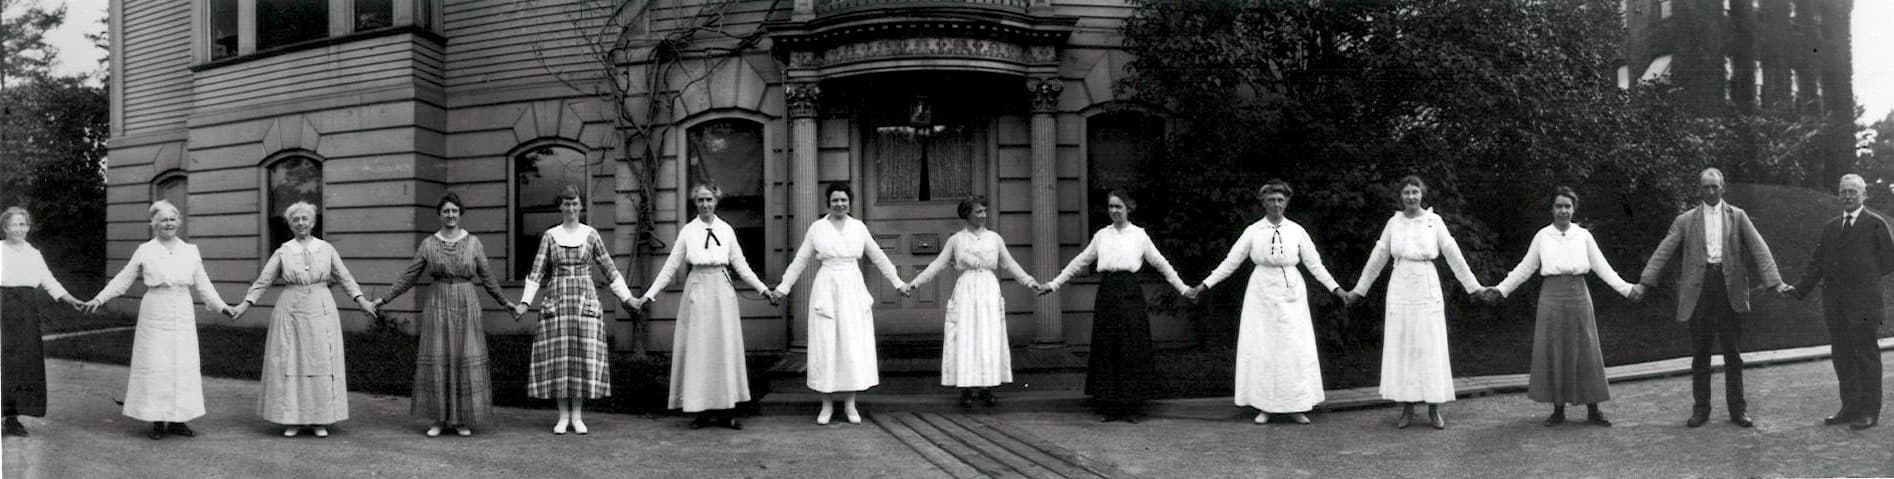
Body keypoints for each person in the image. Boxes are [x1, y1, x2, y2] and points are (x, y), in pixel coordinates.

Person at [1630, 167, 1783, 428]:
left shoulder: (1738, 216)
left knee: (1732, 353)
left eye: (1715, 187)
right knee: (1700, 353)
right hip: (1698, 291)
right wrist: (1645, 282)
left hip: (1729, 288)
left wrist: (1774, 282)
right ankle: (1701, 409)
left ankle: (1738, 410)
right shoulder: (1686, 220)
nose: (1711, 191)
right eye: (1706, 187)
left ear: (1723, 188)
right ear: (1699, 190)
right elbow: (1663, 251)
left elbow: (1759, 248)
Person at [1186, 180, 1344, 425]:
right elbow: (1231, 262)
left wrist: (1336, 289)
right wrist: (1205, 285)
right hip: (1261, 292)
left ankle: (1295, 405)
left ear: (1287, 202)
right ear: (1263, 202)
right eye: (1271, 200)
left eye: (1281, 200)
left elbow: (1315, 264)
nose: (1276, 204)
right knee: (1264, 348)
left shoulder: (1297, 231)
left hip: (1292, 291)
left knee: (1292, 348)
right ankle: (1265, 407)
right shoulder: (1253, 231)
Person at [82, 200, 236, 440]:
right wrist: (99, 300)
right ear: (154, 224)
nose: (168, 223)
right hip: (155, 309)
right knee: (156, 365)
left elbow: (204, 285)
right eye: (163, 219)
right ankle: (157, 419)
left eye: (173, 219)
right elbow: (123, 279)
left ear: (179, 223)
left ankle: (178, 420)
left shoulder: (190, 251)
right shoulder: (146, 250)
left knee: (182, 365)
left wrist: (223, 307)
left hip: (182, 309)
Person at [1343, 176, 1488, 430]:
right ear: (1401, 196)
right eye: (1407, 193)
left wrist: (1473, 287)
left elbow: (1453, 253)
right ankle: (1407, 408)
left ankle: (1434, 409)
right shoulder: (1394, 223)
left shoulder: (1435, 222)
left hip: (1426, 286)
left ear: (1423, 195)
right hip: (1400, 287)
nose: (1411, 197)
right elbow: (1378, 256)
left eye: (1415, 192)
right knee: (1404, 345)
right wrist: (1358, 291)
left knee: (1428, 344)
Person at [1485, 187, 1633, 427]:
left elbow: (1602, 267)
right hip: (1551, 297)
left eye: (1567, 206)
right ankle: (1558, 410)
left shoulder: (1584, 235)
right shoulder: (1543, 236)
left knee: (1586, 349)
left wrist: (1627, 289)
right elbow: (1525, 267)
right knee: (1555, 349)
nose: (1563, 210)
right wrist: (1501, 289)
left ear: (1574, 209)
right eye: (1558, 206)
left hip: (1578, 295)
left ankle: (1593, 409)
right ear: (1552, 210)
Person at [1040, 190, 1192, 423]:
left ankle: (1131, 407)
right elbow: (1080, 260)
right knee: (1108, 345)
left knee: (1131, 345)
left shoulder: (1139, 236)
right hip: (1108, 292)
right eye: (1110, 207)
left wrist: (1183, 289)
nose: (1113, 211)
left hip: (1130, 291)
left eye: (1118, 207)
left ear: (1128, 208)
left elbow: (1161, 264)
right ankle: (1110, 406)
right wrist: (1054, 284)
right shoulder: (1102, 235)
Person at [632, 184, 771, 430]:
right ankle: (701, 412)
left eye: (709, 200)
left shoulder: (726, 229)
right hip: (697, 288)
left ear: (716, 201)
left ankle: (727, 412)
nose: (705, 204)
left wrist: (763, 289)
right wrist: (649, 295)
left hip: (721, 289)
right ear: (695, 203)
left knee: (723, 349)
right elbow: (671, 266)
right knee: (699, 351)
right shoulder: (688, 231)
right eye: (700, 200)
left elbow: (741, 265)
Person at [372, 193, 512, 437]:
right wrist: (384, 299)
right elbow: (409, 276)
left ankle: (461, 420)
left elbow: (487, 276)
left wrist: (505, 302)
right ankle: (438, 418)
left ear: (460, 213)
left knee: (463, 356)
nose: (450, 215)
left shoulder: (473, 243)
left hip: (466, 301)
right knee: (438, 357)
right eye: (446, 211)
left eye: (454, 211)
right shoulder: (428, 244)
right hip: (438, 302)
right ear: (439, 214)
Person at [229, 201, 373, 438]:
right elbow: (263, 281)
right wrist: (244, 305)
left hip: (321, 309)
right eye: (295, 219)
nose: (300, 223)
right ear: (290, 224)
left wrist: (362, 301)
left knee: (320, 363)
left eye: (305, 218)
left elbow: (345, 278)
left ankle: (320, 419)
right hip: (291, 310)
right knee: (291, 362)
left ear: (313, 222)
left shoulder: (326, 249)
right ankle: (292, 419)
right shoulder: (283, 251)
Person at [770, 182, 906, 425]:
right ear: (828, 203)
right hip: (827, 288)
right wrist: (783, 288)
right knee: (826, 345)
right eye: (835, 200)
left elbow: (878, 257)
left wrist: (898, 282)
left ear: (850, 202)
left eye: (844, 200)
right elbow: (800, 260)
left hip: (852, 288)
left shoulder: (858, 228)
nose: (840, 204)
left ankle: (850, 403)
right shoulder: (817, 229)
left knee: (851, 345)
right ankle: (826, 404)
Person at [512, 185, 638, 435]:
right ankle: (562, 416)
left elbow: (609, 269)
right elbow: (536, 272)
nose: (570, 208)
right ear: (560, 206)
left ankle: (578, 416)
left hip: (584, 300)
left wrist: (627, 298)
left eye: (575, 204)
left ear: (581, 207)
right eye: (566, 204)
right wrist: (525, 303)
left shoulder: (591, 235)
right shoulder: (550, 236)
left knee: (582, 355)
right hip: (557, 300)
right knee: (559, 356)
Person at [900, 196, 1039, 409]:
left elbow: (1010, 264)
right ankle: (966, 389)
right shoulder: (956, 240)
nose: (983, 215)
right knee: (966, 336)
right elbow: (937, 264)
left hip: (988, 290)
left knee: (988, 336)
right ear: (967, 214)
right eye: (978, 211)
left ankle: (988, 387)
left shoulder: (995, 239)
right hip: (966, 289)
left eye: (984, 211)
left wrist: (1030, 282)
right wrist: (914, 283)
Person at [1781, 173, 1893, 430]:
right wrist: (1799, 290)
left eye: (1853, 191)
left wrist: (1864, 277)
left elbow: (1888, 260)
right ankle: (1850, 407)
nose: (1848, 196)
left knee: (1866, 356)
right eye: (1843, 192)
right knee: (1842, 356)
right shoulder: (1830, 227)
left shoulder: (1875, 224)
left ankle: (1869, 411)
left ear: (1864, 195)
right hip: (1835, 304)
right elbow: (1817, 263)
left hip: (1865, 305)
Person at [1, 207, 86, 437]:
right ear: (5, 227)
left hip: (27, 311)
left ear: (28, 228)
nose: (18, 229)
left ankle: (12, 418)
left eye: (23, 224)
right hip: (2, 306)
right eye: (14, 224)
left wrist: (71, 300)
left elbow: (49, 281)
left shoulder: (33, 254)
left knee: (22, 364)